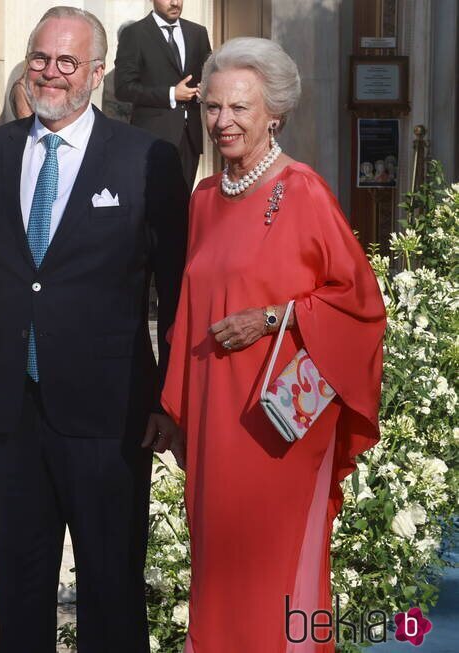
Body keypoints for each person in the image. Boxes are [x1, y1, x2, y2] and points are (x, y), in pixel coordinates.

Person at [0, 7, 188, 651]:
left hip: (110, 414)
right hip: (12, 410)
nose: (50, 73)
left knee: (111, 590)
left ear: (97, 73)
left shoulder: (146, 158)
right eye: (40, 58)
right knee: (20, 591)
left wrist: (171, 398)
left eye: (67, 62)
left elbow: (178, 288)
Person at [160, 37, 385, 652]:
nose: (222, 121)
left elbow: (360, 301)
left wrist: (271, 317)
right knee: (217, 568)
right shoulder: (204, 199)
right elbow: (187, 308)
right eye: (213, 108)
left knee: (275, 569)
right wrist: (176, 410)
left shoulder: (303, 190)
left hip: (280, 423)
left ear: (273, 115)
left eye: (240, 108)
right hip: (214, 417)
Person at [114, 0, 212, 188]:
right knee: (152, 206)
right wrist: (171, 94)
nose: (175, 3)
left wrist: (205, 90)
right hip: (152, 137)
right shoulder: (134, 34)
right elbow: (124, 87)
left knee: (183, 205)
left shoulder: (198, 33)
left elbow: (208, 75)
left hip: (189, 137)